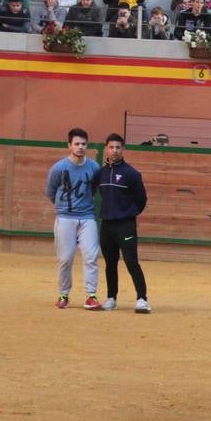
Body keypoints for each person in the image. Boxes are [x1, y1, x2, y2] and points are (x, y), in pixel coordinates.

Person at [45, 128, 103, 310]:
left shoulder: (94, 167)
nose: (80, 147)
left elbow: (93, 189)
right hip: (65, 217)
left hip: (87, 217)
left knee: (91, 256)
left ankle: (91, 295)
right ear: (69, 145)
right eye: (77, 144)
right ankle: (63, 295)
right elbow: (51, 191)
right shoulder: (59, 168)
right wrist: (63, 208)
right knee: (65, 258)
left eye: (83, 144)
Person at [96, 133, 151, 313]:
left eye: (118, 147)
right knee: (110, 263)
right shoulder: (101, 173)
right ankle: (111, 298)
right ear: (106, 148)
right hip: (106, 226)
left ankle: (142, 299)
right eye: (111, 147)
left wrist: (129, 214)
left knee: (131, 262)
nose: (115, 151)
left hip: (125, 225)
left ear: (123, 150)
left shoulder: (131, 173)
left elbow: (141, 199)